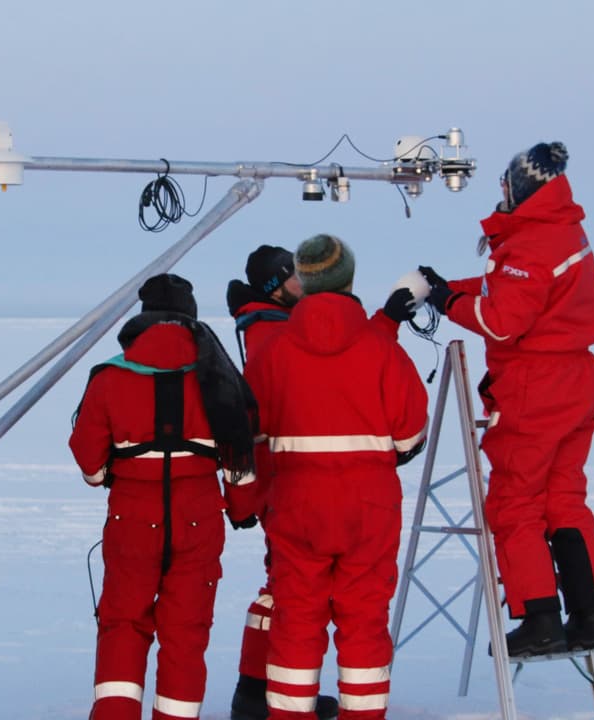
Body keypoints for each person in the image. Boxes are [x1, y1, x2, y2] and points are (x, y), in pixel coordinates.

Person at [421, 141, 594, 657]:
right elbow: (512, 290)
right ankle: (589, 612)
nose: (499, 193)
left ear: (522, 188)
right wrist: (447, 288)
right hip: (576, 380)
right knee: (565, 499)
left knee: (516, 501)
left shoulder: (531, 243)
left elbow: (503, 319)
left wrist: (449, 302)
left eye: (504, 185)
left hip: (535, 385)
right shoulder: (562, 230)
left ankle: (540, 615)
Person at [245, 234, 428, 720]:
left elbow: (251, 429)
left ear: (302, 282)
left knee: (296, 619)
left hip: (297, 501)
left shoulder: (273, 350)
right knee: (364, 620)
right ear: (349, 279)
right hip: (369, 505)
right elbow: (410, 436)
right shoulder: (381, 348)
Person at [69, 273, 259, 720]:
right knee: (186, 633)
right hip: (199, 518)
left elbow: (88, 460)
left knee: (122, 625)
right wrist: (244, 510)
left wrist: (108, 475)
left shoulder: (109, 377)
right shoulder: (218, 377)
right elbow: (240, 458)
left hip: (132, 518)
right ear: (190, 318)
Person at [226, 246, 337, 720]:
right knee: (297, 595)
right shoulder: (276, 334)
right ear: (276, 285)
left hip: (280, 481)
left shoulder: (268, 328)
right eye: (295, 275)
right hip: (291, 481)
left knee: (280, 591)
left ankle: (255, 693)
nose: (305, 281)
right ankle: (277, 700)